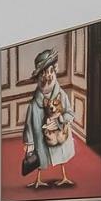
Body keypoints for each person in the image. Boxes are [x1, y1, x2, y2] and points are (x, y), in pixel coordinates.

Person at [23, 49, 76, 188]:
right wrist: (29, 143)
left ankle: (64, 176)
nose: (47, 76)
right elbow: (28, 125)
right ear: (38, 76)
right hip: (42, 140)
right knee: (40, 155)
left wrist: (60, 120)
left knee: (63, 154)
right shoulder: (34, 104)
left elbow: (70, 113)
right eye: (43, 73)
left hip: (60, 136)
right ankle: (38, 178)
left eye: (49, 71)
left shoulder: (62, 95)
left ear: (55, 71)